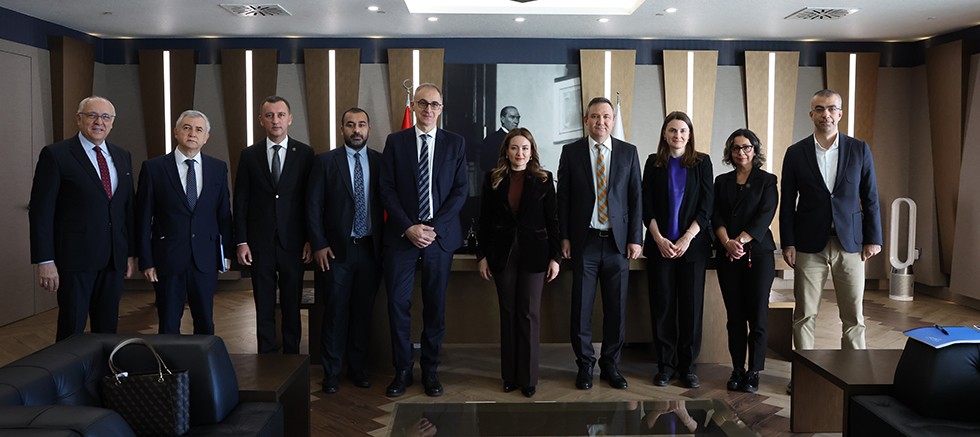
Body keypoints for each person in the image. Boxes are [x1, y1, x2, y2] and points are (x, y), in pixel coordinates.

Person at [380, 83, 468, 398]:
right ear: (414, 106)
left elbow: (460, 190)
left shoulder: (455, 143)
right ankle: (403, 370)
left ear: (441, 109)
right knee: (397, 304)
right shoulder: (396, 142)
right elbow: (386, 188)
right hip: (402, 237)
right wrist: (408, 227)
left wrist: (433, 227)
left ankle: (430, 371)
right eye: (422, 103)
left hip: (438, 238)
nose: (428, 109)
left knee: (435, 306)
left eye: (434, 104)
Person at [780, 89, 882, 352]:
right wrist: (788, 243)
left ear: (840, 113)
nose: (826, 114)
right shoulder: (795, 152)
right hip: (808, 244)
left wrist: (873, 238)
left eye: (831, 108)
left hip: (850, 244)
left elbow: (870, 196)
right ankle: (805, 370)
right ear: (811, 114)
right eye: (820, 109)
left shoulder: (859, 149)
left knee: (854, 316)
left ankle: (854, 370)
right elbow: (787, 202)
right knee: (804, 314)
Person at [29, 96, 136, 341]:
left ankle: (105, 366)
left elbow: (127, 208)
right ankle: (68, 368)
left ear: (112, 122)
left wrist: (130, 253)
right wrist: (45, 260)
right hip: (74, 260)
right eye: (92, 115)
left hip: (113, 259)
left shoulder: (122, 156)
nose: (99, 122)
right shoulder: (56, 155)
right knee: (72, 328)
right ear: (79, 119)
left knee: (107, 329)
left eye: (106, 117)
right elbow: (41, 211)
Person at [557, 96, 642, 390]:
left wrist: (636, 238)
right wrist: (564, 236)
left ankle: (610, 365)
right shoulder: (571, 152)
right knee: (581, 308)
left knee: (616, 309)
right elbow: (563, 198)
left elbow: (636, 197)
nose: (601, 122)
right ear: (586, 120)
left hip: (618, 244)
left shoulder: (628, 152)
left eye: (606, 116)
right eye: (595, 116)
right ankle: (584, 365)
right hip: (585, 242)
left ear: (613, 121)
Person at [476, 128, 561, 398]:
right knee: (508, 312)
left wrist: (556, 257)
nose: (520, 153)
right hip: (502, 254)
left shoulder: (544, 180)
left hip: (535, 255)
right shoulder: (493, 179)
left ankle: (528, 378)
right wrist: (481, 256)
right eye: (514, 148)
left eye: (525, 148)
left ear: (532, 151)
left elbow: (553, 221)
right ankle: (510, 376)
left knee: (529, 314)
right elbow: (484, 220)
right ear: (506, 151)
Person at [307, 108, 384, 393]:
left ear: (369, 129)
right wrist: (319, 243)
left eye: (361, 124)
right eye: (350, 125)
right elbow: (313, 205)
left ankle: (358, 368)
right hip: (336, 252)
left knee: (363, 313)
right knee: (335, 312)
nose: (356, 130)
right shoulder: (325, 161)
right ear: (342, 129)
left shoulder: (380, 162)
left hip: (370, 249)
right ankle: (332, 372)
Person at [136, 110, 233, 334]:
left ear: (206, 137)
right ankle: (168, 359)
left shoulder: (218, 168)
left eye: (199, 129)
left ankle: (204, 359)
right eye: (187, 128)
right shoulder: (154, 168)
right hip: (168, 258)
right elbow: (143, 218)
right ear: (176, 132)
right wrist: (146, 260)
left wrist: (226, 253)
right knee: (168, 322)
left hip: (205, 258)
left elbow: (223, 214)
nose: (192, 133)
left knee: (205, 322)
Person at [233, 96, 313, 354]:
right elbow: (241, 201)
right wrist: (241, 241)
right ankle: (266, 358)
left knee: (292, 305)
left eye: (280, 115)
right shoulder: (249, 155)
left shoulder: (305, 154)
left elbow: (310, 201)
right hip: (260, 244)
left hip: (294, 243)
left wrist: (310, 238)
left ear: (290, 119)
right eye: (269, 115)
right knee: (263, 304)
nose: (275, 120)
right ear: (261, 120)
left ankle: (292, 357)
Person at [642, 111, 713, 389]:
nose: (678, 135)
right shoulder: (653, 162)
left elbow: (706, 206)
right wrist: (659, 238)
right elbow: (646, 204)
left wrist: (687, 238)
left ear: (690, 134)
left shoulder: (702, 163)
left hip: (692, 248)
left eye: (683, 131)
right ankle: (665, 366)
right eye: (672, 130)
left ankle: (688, 367)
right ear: (664, 133)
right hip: (660, 246)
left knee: (690, 309)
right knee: (662, 307)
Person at [713, 129, 778, 393]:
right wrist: (726, 242)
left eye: (746, 147)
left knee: (758, 315)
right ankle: (737, 369)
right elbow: (715, 216)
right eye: (736, 148)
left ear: (755, 150)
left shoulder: (767, 181)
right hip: (727, 255)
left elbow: (765, 216)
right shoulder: (721, 181)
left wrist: (738, 241)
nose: (741, 152)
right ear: (729, 152)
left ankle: (754, 372)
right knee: (735, 317)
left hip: (758, 256)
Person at [480, 106, 521, 173]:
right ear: (503, 119)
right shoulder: (492, 139)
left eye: (518, 118)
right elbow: (484, 164)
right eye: (512, 117)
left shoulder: (520, 138)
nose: (516, 121)